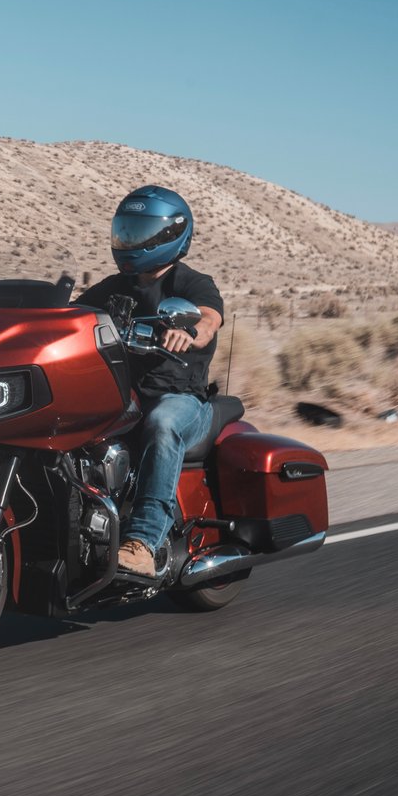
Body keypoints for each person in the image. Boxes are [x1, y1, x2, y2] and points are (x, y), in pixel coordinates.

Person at [76, 186, 224, 577]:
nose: (130, 241)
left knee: (163, 425)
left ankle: (143, 542)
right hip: (125, 397)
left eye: (140, 233)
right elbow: (69, 315)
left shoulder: (192, 283)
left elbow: (209, 319)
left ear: (170, 236)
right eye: (127, 231)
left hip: (181, 399)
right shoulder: (114, 287)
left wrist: (191, 331)